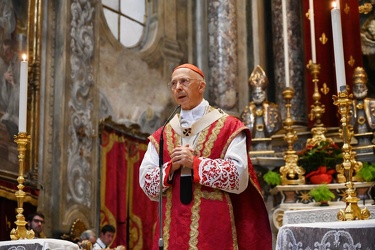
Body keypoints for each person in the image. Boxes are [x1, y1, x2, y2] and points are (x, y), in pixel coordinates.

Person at [139, 64, 272, 249]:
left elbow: (238, 176)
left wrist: (195, 164)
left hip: (213, 226)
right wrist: (171, 167)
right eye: (173, 83)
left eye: (184, 81)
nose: (178, 87)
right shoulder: (162, 134)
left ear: (201, 86)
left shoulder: (229, 127)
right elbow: (146, 184)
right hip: (172, 225)